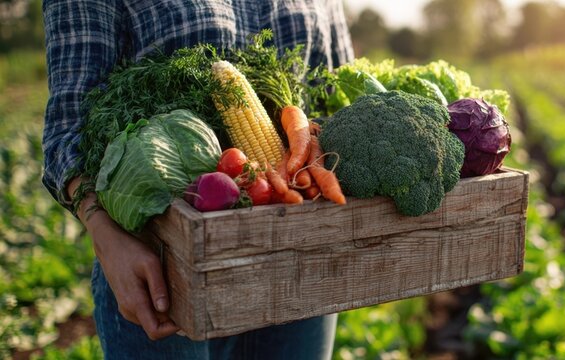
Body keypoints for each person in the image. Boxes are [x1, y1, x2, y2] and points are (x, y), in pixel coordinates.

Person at [41, 0, 354, 358]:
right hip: (163, 268)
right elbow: (67, 133)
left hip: (301, 256)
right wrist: (105, 236)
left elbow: (335, 95)